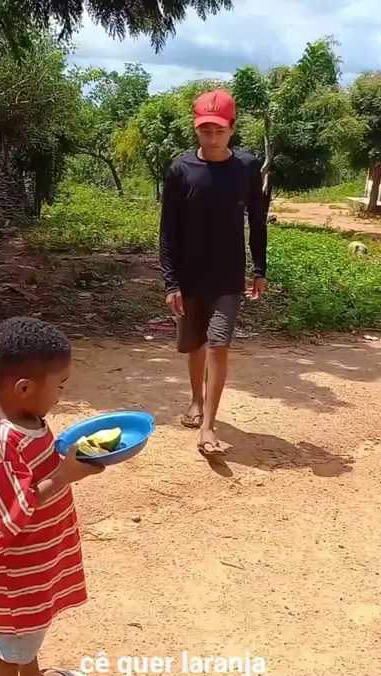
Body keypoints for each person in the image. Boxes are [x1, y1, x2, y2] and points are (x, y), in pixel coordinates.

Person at [0, 316, 103, 676]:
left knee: (32, 625)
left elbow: (38, 467)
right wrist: (66, 475)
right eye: (60, 385)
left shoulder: (24, 416)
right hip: (13, 570)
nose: (62, 394)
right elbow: (11, 511)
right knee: (11, 642)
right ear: (24, 387)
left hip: (38, 558)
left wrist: (67, 458)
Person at [159, 89, 267, 456]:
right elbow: (168, 231)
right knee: (195, 345)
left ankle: (208, 426)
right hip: (189, 276)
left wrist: (260, 268)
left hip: (228, 277)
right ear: (196, 129)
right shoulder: (180, 170)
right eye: (205, 130)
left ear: (232, 128)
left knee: (218, 345)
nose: (212, 137)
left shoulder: (247, 168)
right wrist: (171, 282)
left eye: (219, 130)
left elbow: (257, 221)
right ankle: (195, 399)